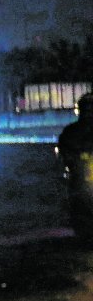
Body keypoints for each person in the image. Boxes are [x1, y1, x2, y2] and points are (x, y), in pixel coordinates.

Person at [58, 93, 93, 241]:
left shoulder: (71, 131)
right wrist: (72, 161)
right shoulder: (71, 131)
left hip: (83, 171)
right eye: (87, 109)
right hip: (80, 172)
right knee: (77, 197)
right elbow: (65, 151)